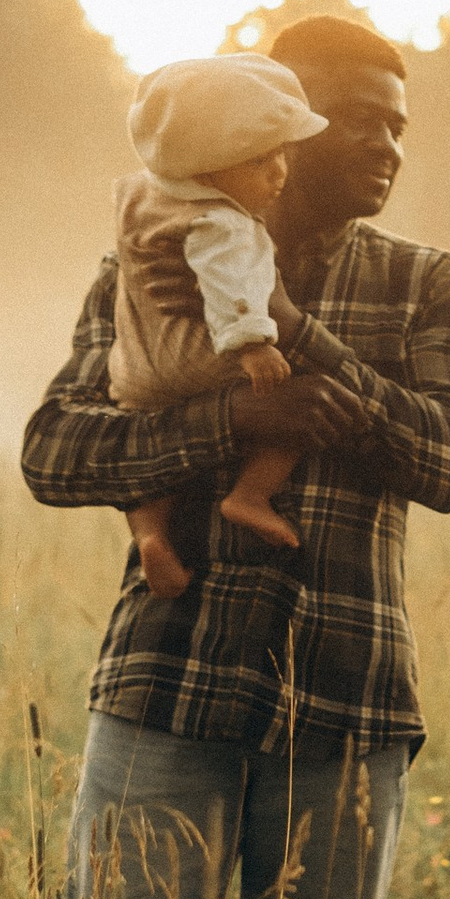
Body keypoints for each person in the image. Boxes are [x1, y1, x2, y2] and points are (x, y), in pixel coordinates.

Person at [20, 14, 450, 899]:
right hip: (165, 696)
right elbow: (55, 450)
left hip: (347, 710)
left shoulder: (424, 283)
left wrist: (306, 351)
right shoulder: (151, 252)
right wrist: (234, 416)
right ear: (276, 120)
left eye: (400, 121)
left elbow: (449, 459)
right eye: (358, 117)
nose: (385, 142)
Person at [107, 54, 332, 599]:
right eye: (259, 161)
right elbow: (233, 286)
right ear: (207, 167)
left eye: (281, 155)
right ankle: (250, 494)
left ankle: (150, 536)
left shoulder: (140, 195)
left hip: (136, 368)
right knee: (302, 402)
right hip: (200, 355)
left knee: (142, 444)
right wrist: (253, 344)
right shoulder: (225, 223)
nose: (279, 171)